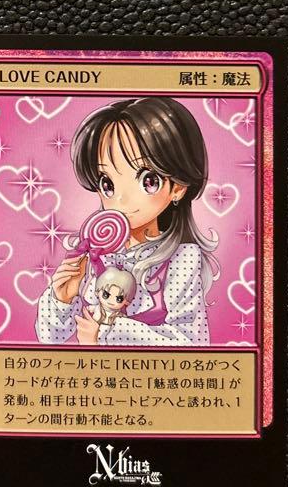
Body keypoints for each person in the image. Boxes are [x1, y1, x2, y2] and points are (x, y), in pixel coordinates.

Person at [36, 97, 218, 346]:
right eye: (107, 183)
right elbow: (49, 339)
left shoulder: (181, 259)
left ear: (178, 187)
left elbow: (193, 343)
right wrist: (62, 299)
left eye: (148, 180)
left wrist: (107, 333)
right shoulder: (94, 253)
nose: (120, 198)